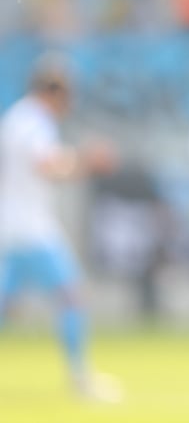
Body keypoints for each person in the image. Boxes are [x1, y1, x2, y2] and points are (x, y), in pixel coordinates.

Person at [0, 54, 121, 402]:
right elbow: (48, 164)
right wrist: (86, 160)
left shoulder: (17, 117)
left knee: (7, 305)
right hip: (32, 228)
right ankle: (81, 378)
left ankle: (81, 376)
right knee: (72, 295)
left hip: (16, 225)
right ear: (57, 93)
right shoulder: (35, 121)